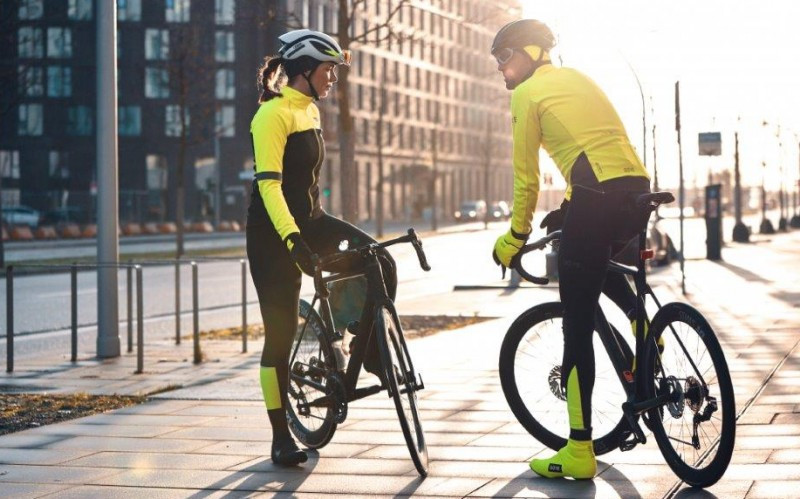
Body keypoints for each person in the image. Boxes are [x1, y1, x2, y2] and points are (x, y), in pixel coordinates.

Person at [490, 19, 652, 479]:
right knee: (599, 263)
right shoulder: (579, 78)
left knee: (576, 324)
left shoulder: (527, 95)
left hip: (596, 192)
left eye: (504, 58)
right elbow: (594, 148)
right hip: (635, 188)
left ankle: (579, 452)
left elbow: (525, 179)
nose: (501, 70)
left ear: (529, 53)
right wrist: (566, 208)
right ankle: (649, 335)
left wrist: (513, 240)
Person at [247, 29, 397, 466]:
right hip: (272, 234)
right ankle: (280, 438)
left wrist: (308, 229)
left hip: (311, 220)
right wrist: (292, 240)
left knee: (380, 261)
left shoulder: (309, 110)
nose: (334, 77)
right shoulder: (271, 116)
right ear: (305, 70)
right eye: (329, 69)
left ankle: (364, 345)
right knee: (278, 337)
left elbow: (307, 185)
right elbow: (270, 188)